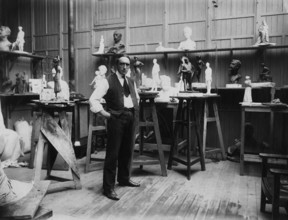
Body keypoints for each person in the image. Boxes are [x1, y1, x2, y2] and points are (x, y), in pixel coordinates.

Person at [89, 55, 140, 201]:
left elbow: (136, 97)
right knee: (113, 153)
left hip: (130, 117)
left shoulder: (131, 81)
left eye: (127, 65)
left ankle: (124, 178)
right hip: (116, 119)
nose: (124, 67)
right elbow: (93, 99)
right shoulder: (107, 81)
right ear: (117, 65)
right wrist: (104, 113)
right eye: (122, 64)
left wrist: (133, 113)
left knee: (127, 149)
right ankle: (108, 188)